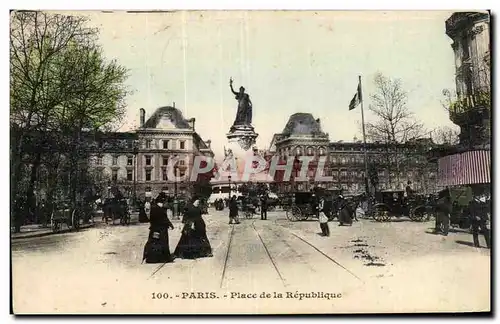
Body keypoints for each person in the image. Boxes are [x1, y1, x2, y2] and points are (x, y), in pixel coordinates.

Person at [142, 194, 175, 264]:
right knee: (159, 242)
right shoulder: (155, 208)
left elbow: (164, 218)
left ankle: (157, 258)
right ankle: (158, 258)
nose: (166, 204)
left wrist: (169, 224)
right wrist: (169, 224)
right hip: (158, 229)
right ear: (161, 202)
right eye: (165, 202)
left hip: (157, 229)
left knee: (157, 242)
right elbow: (161, 219)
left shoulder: (158, 208)